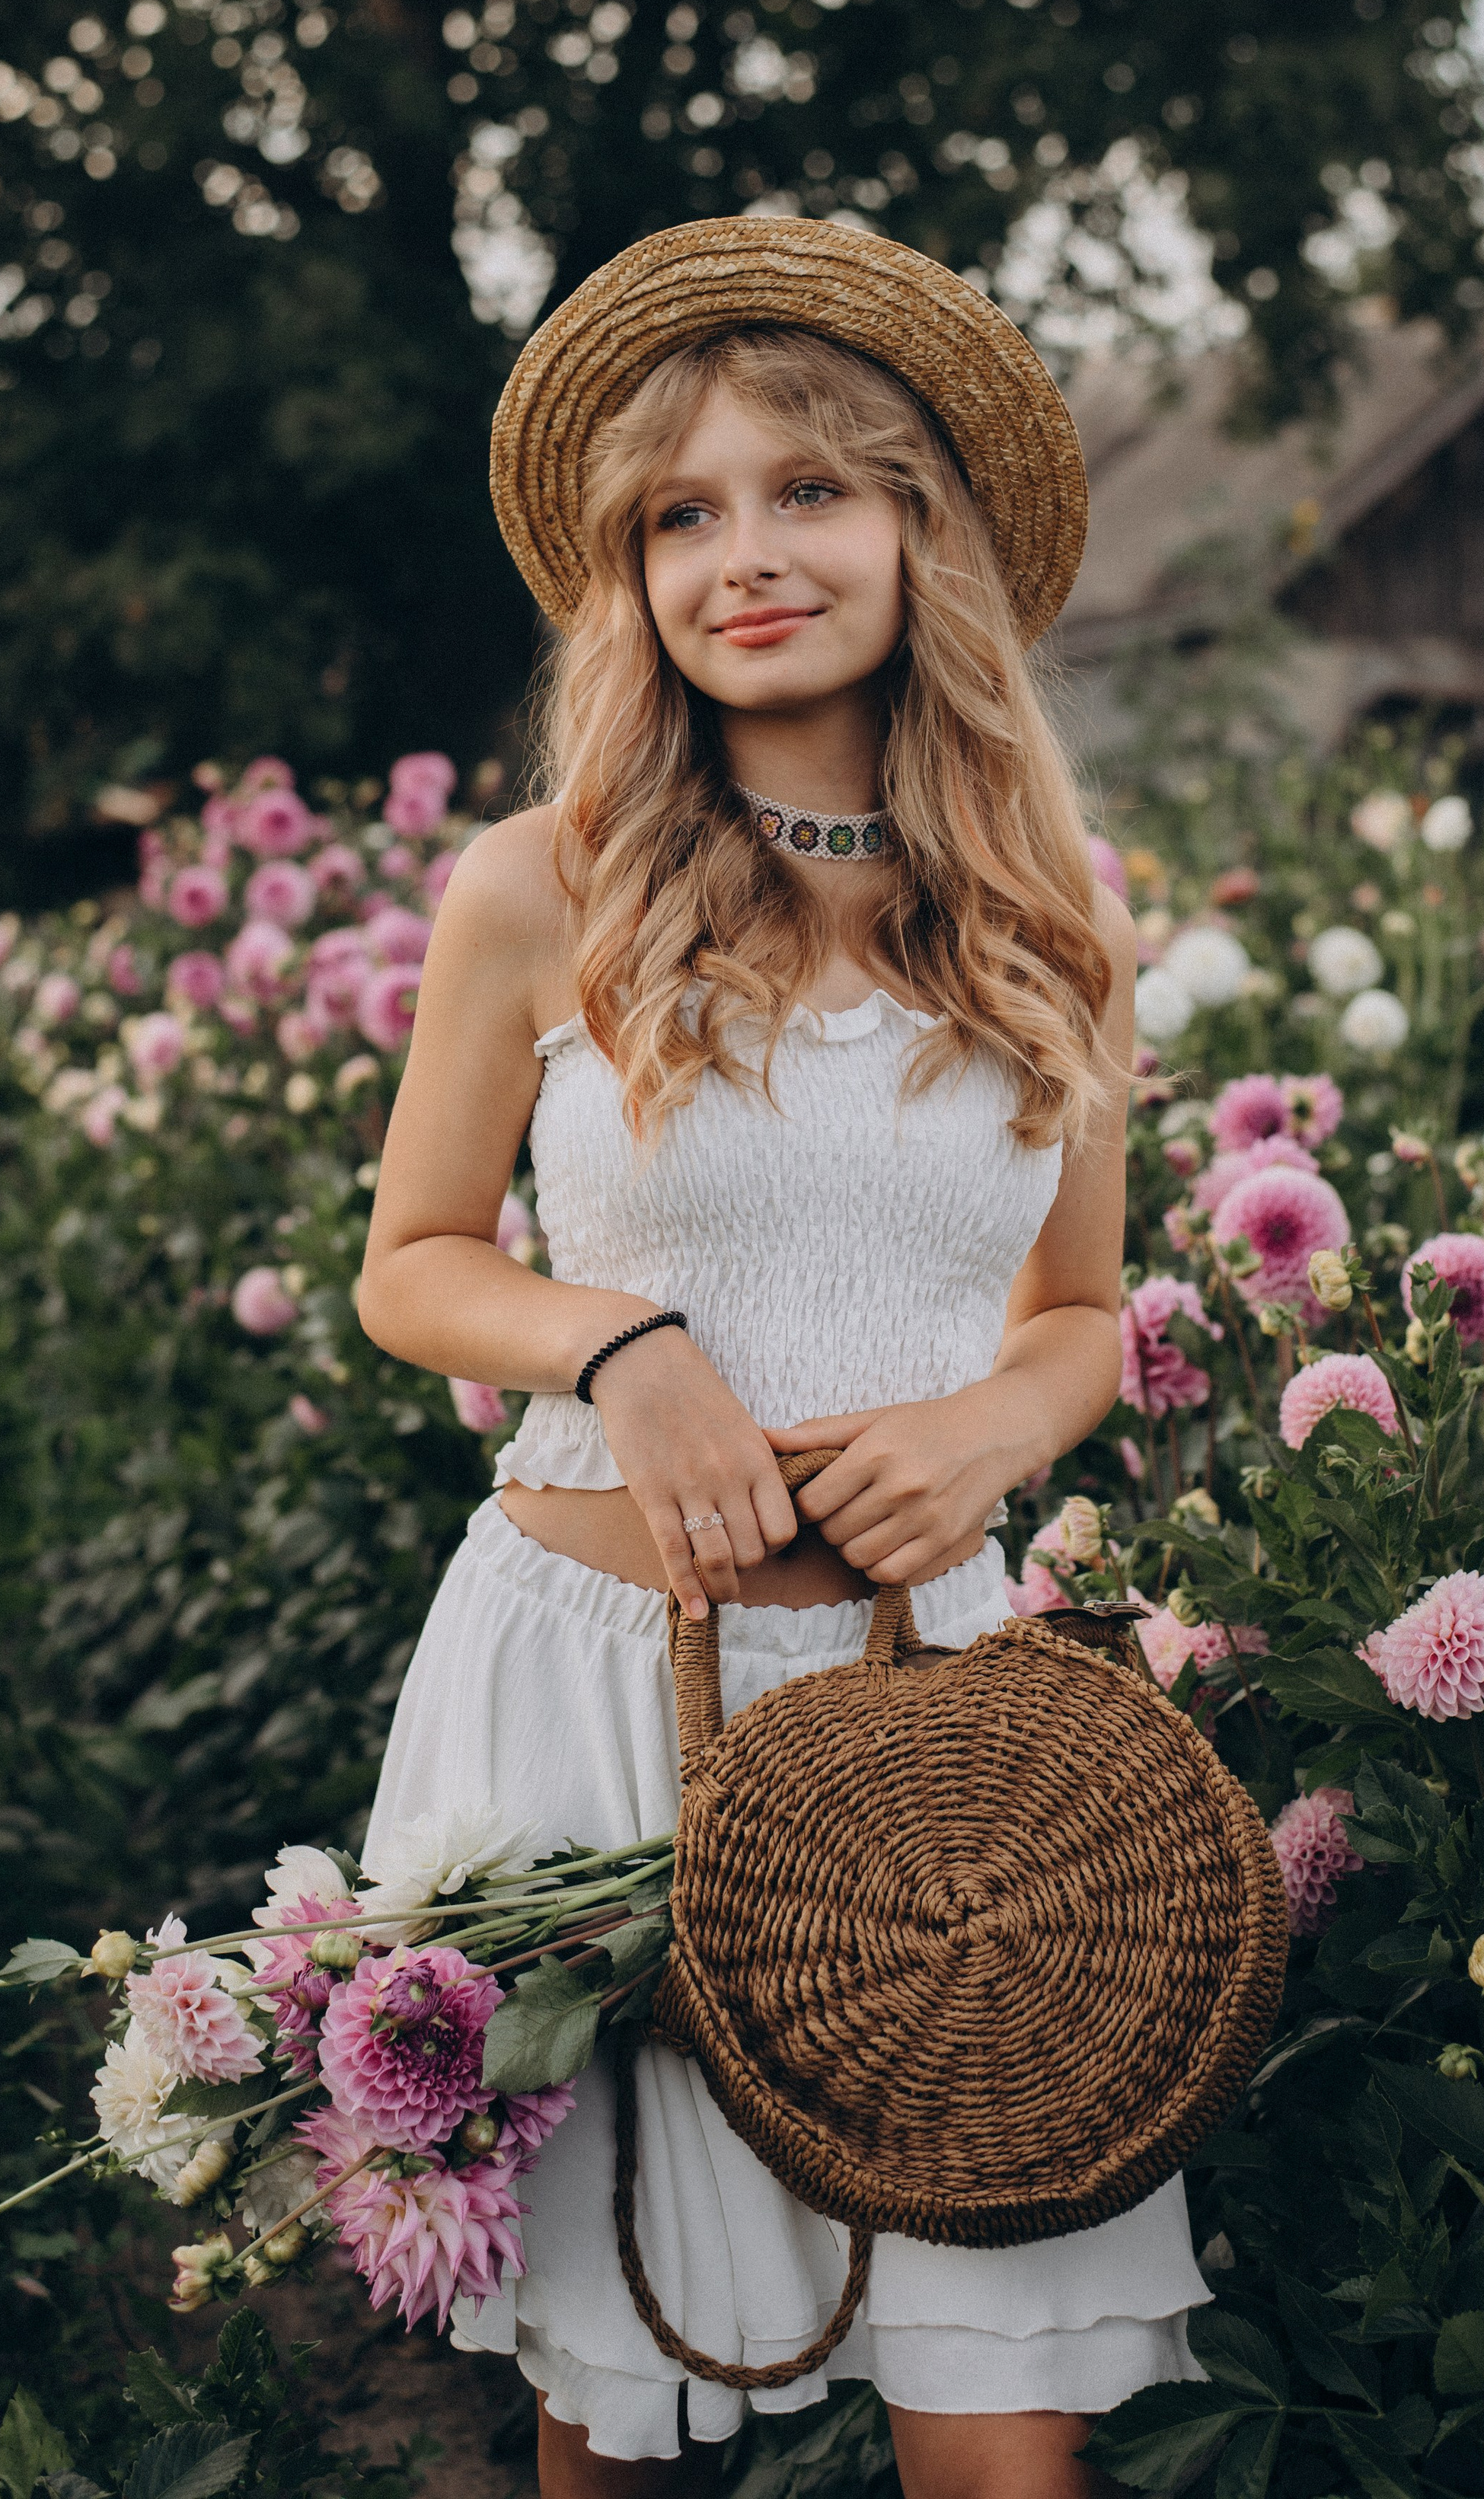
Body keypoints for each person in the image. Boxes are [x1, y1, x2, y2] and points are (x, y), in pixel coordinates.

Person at [353, 219, 1208, 2499]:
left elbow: (1078, 1313)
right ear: (629, 577)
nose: (748, 555)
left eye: (812, 490)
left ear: (923, 529)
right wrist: (617, 1339)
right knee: (619, 2419)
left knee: (994, 2430)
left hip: (942, 1725)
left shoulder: (1051, 917)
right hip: (589, 1694)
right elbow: (416, 1262)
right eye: (681, 514)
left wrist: (997, 1425)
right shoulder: (545, 884)